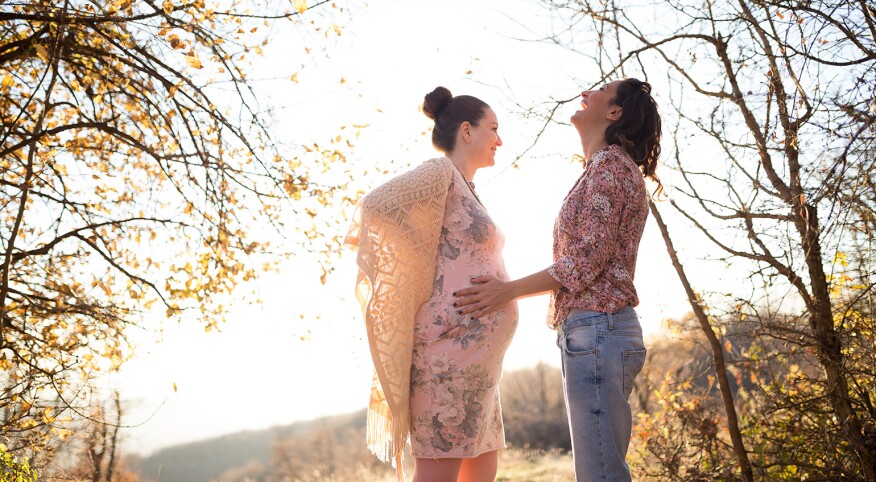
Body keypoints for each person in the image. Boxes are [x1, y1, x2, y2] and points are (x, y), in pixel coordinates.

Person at [454, 77, 662, 481]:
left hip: (599, 329)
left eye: (601, 90)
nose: (586, 92)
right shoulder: (601, 169)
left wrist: (507, 292)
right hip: (591, 332)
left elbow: (587, 259)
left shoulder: (610, 167)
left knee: (600, 474)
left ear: (614, 112)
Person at [346, 86, 518, 482]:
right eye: (493, 128)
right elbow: (376, 206)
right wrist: (414, 262)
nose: (500, 139)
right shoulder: (440, 173)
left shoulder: (466, 188)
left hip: (477, 365)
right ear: (467, 131)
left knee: (482, 468)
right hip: (447, 357)